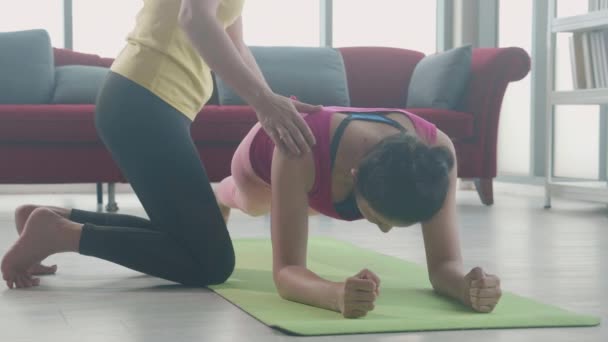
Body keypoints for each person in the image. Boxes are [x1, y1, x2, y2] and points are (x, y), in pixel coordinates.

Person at [1, 0, 321, 289]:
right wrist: (263, 102)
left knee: (181, 236)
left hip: (148, 100)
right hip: (145, 99)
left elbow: (235, 44)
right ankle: (60, 233)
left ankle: (51, 219)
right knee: (210, 262)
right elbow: (194, 18)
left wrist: (271, 106)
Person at [214, 106, 503, 318]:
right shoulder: (297, 151)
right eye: (378, 219)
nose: (385, 230)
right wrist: (335, 294)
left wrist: (466, 288)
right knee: (251, 204)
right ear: (353, 176)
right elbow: (287, 272)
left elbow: (443, 265)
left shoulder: (435, 158)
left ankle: (304, 196)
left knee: (306, 204)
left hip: (320, 171)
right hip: (262, 156)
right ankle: (219, 194)